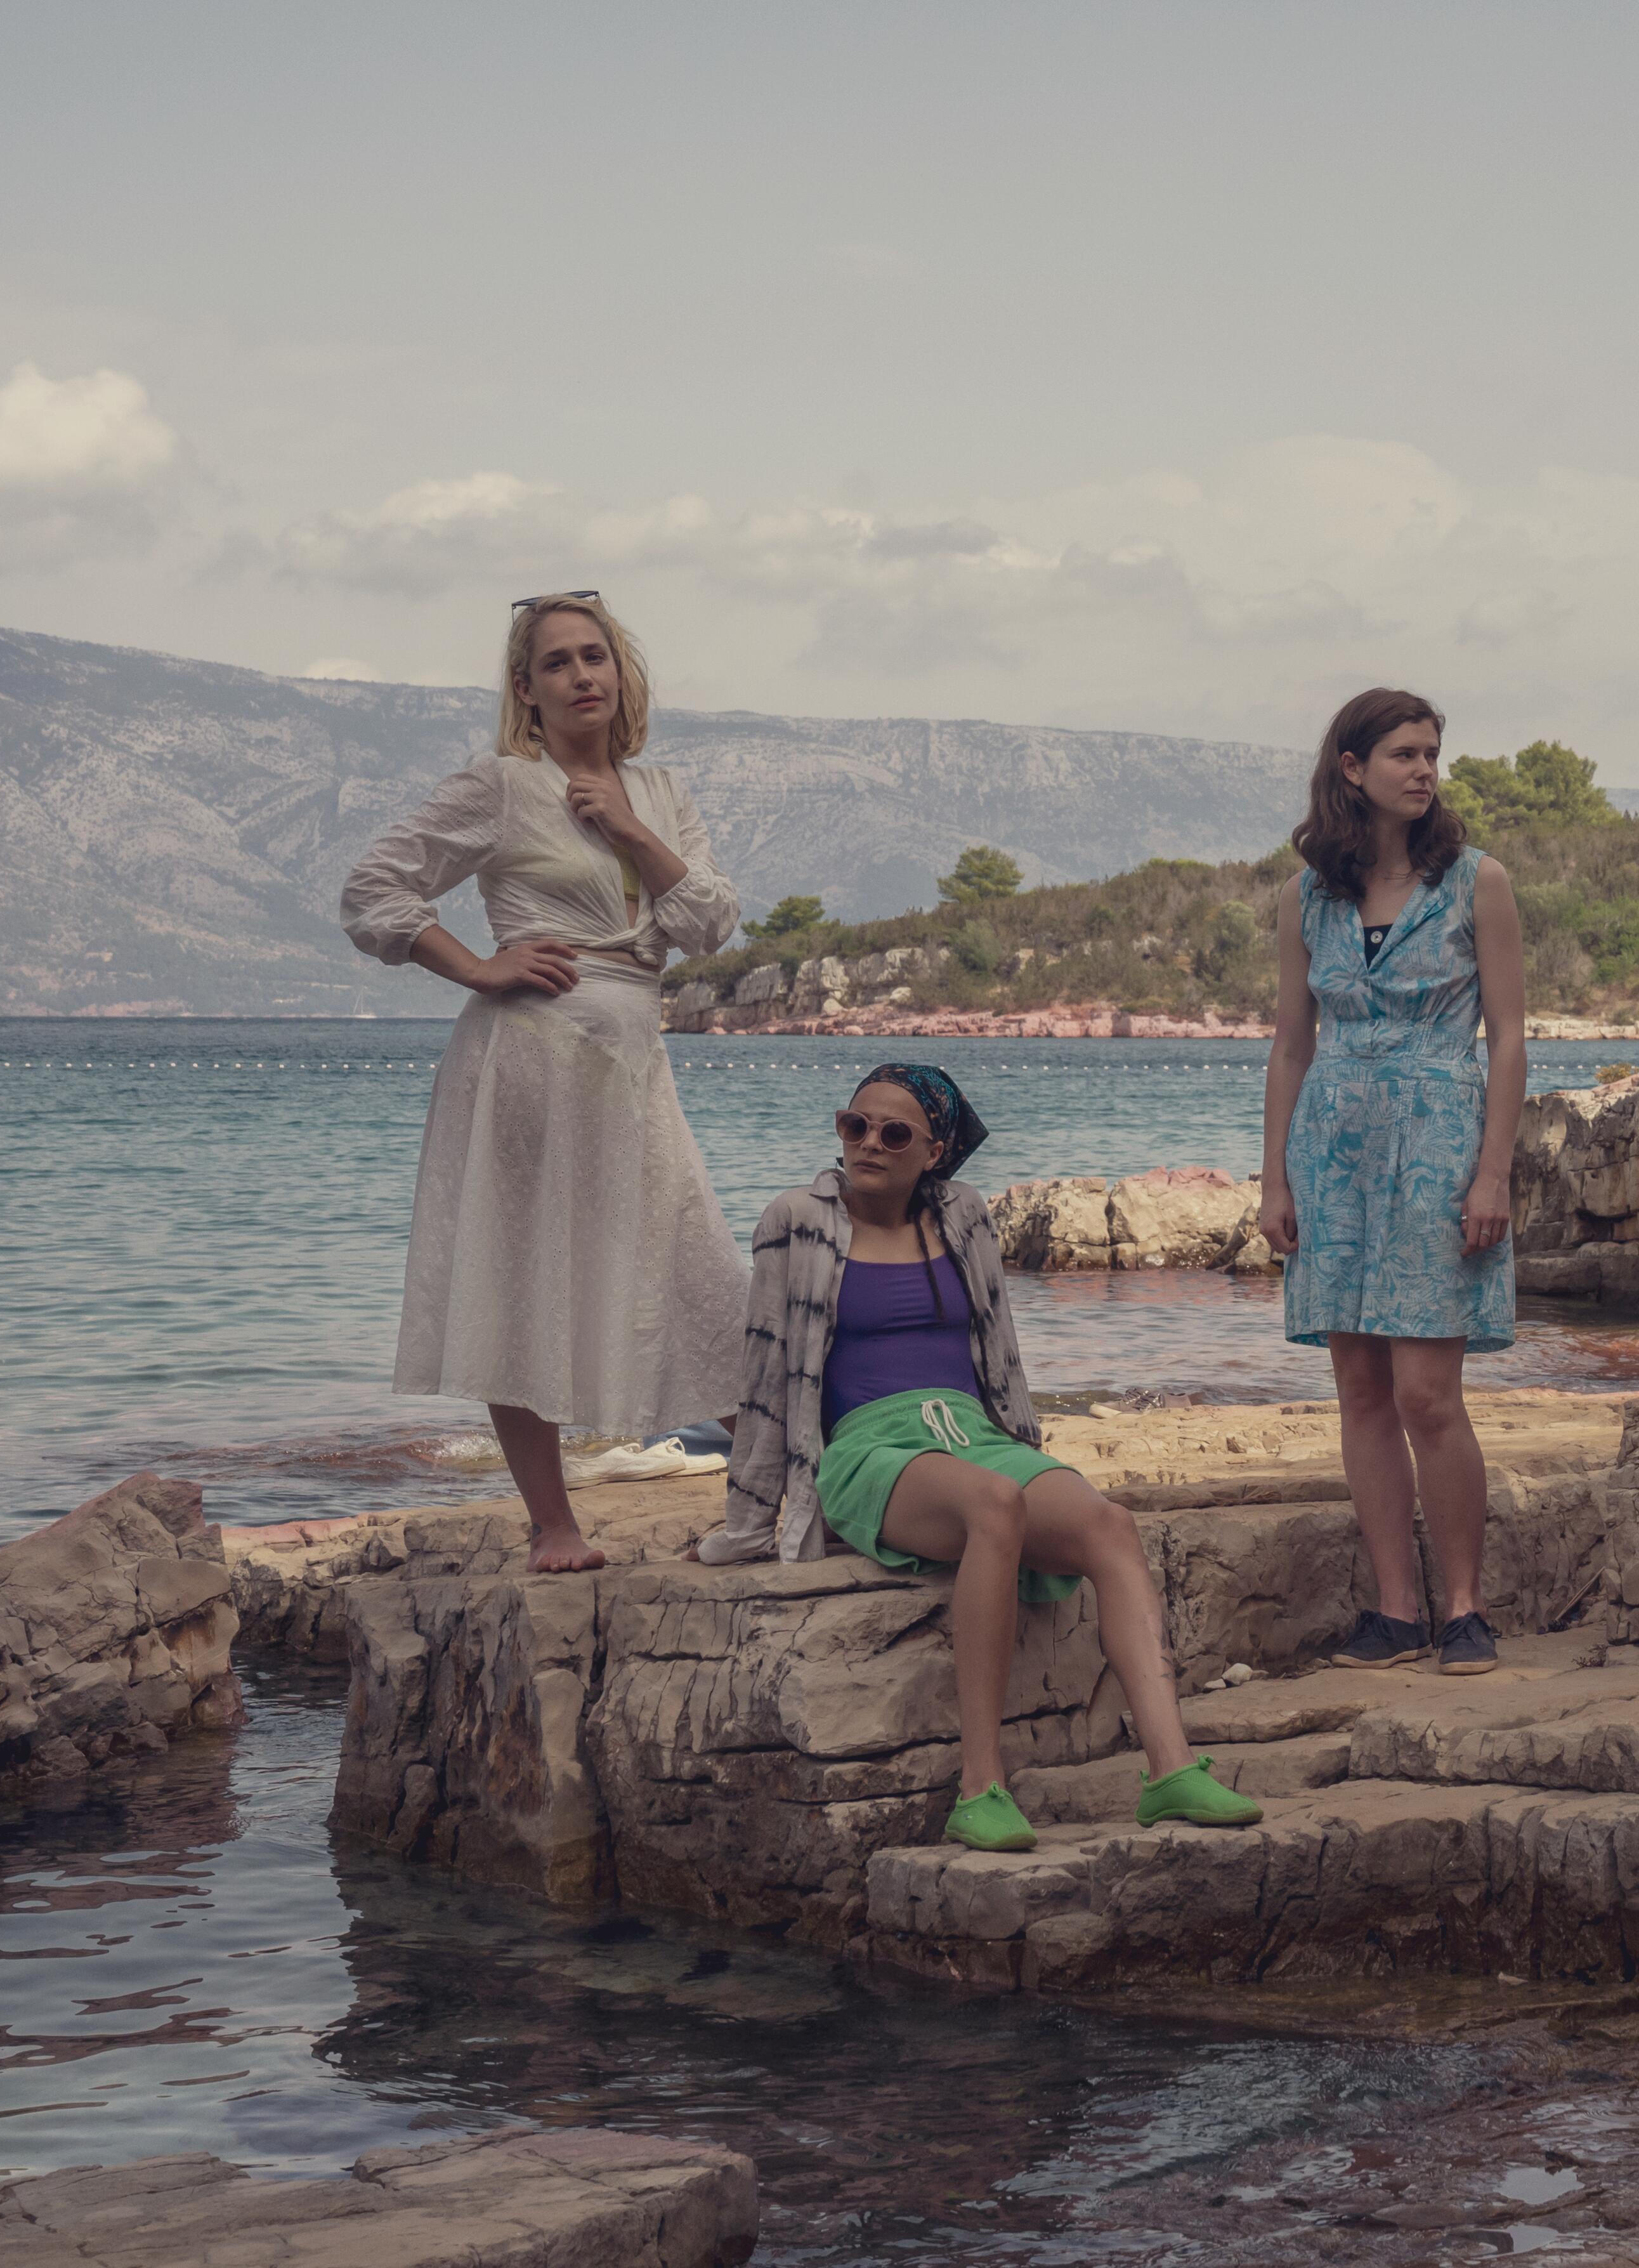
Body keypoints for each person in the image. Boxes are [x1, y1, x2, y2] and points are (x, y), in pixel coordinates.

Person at [694, 1063, 1264, 1852]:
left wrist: (1020, 1446)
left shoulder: (961, 1215)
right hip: (870, 1444)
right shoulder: (796, 1219)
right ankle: (980, 1787)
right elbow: (763, 1370)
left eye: (894, 1133)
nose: (868, 1144)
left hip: (971, 1433)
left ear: (934, 1151)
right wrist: (759, 1513)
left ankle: (1169, 1770)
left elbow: (1000, 1351)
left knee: (1108, 1524)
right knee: (994, 1504)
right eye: (853, 1125)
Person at [339, 591, 750, 1575]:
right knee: (519, 1278)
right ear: (525, 688)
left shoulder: (661, 792)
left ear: (621, 671)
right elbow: (372, 891)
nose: (582, 675)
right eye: (558, 662)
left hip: (630, 1064)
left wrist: (629, 830)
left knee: (698, 1270)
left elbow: (708, 924)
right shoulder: (501, 783)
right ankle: (554, 1523)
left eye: (595, 656)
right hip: (526, 1061)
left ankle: (780, 1485)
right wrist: (478, 966)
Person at [1259, 688, 1527, 1677]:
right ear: (1351, 767)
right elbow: (1291, 1043)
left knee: (1426, 1391)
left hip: (1440, 1142)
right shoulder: (1304, 896)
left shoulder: (1475, 882)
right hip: (1331, 1151)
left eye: (1431, 754)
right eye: (1405, 754)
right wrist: (1272, 1177)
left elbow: (1508, 1039)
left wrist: (1493, 1168)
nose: (1423, 770)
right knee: (1360, 1388)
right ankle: (1392, 1609)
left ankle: (1465, 1607)